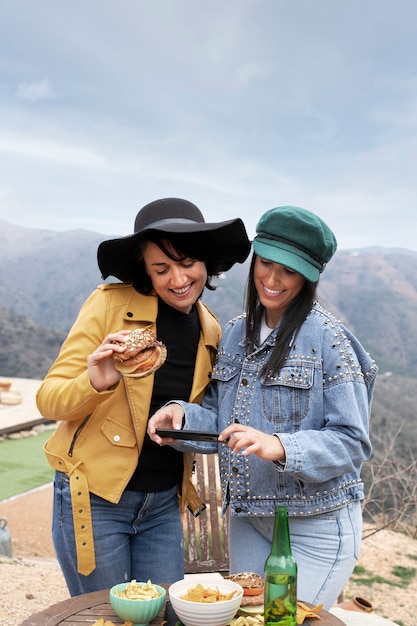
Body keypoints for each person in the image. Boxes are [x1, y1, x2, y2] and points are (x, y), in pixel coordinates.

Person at [148, 205, 378, 610]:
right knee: (246, 620)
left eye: (288, 271)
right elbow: (224, 420)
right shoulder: (236, 332)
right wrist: (181, 416)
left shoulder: (331, 340)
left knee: (283, 620)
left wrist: (281, 446)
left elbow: (352, 442)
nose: (272, 280)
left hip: (316, 524)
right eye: (266, 263)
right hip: (249, 519)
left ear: (309, 276)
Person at [36, 197, 251, 596]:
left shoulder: (211, 330)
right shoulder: (108, 305)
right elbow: (49, 400)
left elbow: (206, 413)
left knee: (163, 616)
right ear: (145, 270)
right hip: (95, 497)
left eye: (187, 263)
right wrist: (96, 382)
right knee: (105, 617)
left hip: (163, 503)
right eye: (161, 268)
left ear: (205, 262)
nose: (178, 278)